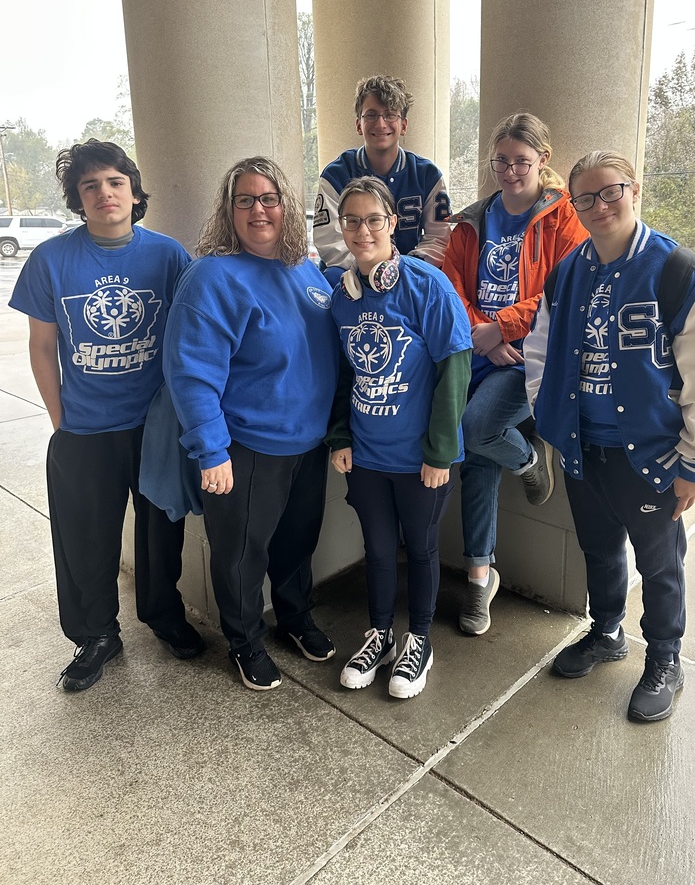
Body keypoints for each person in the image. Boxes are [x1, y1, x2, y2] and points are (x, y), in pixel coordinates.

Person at [525, 150, 695, 721]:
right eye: (586, 197)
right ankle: (606, 633)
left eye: (612, 191)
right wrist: (551, 416)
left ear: (635, 190)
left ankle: (665, 658)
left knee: (659, 563)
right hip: (586, 449)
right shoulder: (568, 272)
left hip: (653, 455)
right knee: (598, 550)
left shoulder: (681, 273)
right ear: (573, 204)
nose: (600, 205)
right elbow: (539, 353)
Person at [9, 139, 203, 692]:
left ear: (135, 193)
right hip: (84, 429)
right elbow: (42, 347)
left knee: (161, 531)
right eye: (90, 186)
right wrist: (59, 419)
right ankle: (96, 635)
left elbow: (194, 334)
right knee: (84, 539)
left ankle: (165, 616)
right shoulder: (51, 259)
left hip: (156, 426)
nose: (104, 193)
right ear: (78, 198)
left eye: (115, 182)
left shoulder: (167, 256)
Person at [163, 156, 339, 692]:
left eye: (269, 198)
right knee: (243, 554)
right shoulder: (212, 276)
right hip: (245, 446)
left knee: (296, 542)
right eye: (245, 200)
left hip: (308, 444)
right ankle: (244, 640)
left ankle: (294, 619)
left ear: (286, 206)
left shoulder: (306, 271)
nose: (258, 209)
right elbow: (190, 371)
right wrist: (211, 449)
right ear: (228, 210)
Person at [442, 113, 588, 635]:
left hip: (531, 360)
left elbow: (561, 289)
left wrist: (504, 328)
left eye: (521, 161)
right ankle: (480, 578)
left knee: (473, 430)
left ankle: (530, 460)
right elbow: (451, 289)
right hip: (479, 353)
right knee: (475, 460)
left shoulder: (563, 218)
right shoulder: (472, 220)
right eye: (500, 160)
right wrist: (483, 331)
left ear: (543, 161)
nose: (509, 171)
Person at [327, 177, 472, 699]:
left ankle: (420, 640)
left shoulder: (424, 285)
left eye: (372, 220)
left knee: (424, 548)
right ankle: (380, 633)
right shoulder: (341, 299)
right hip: (366, 455)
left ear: (392, 224)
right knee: (379, 549)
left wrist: (438, 451)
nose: (361, 230)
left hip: (420, 460)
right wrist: (340, 435)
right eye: (351, 220)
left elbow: (455, 367)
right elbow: (342, 375)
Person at [313, 75, 452, 281]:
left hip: (408, 273)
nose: (380, 123)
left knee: (437, 280)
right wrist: (370, 271)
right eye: (371, 115)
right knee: (332, 277)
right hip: (351, 273)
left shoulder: (427, 175)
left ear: (403, 125)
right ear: (359, 125)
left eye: (390, 115)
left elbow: (439, 238)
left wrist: (401, 269)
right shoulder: (336, 175)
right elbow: (330, 241)